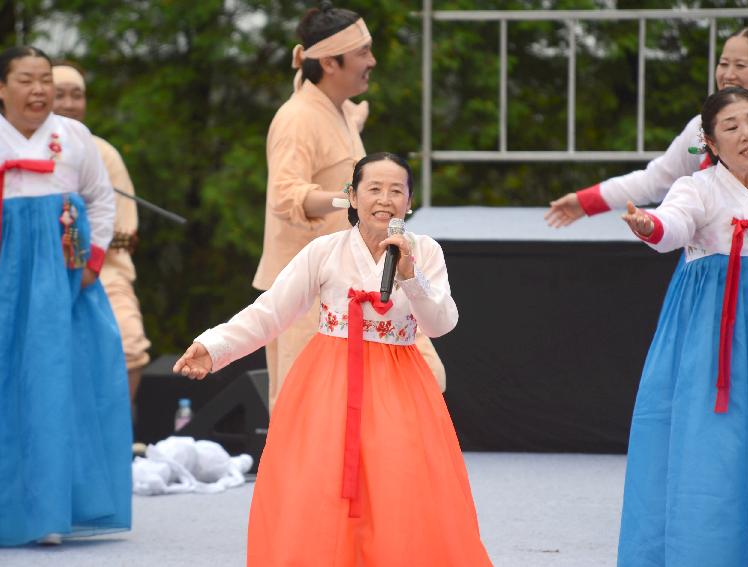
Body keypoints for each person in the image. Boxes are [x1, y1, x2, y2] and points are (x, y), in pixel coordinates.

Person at [175, 153, 492, 566]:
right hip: (331, 380)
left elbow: (442, 323)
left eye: (397, 190)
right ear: (352, 197)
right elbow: (272, 311)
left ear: (409, 202)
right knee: (322, 484)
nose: (385, 199)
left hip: (400, 383)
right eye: (374, 188)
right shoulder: (324, 251)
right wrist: (214, 346)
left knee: (399, 484)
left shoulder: (424, 251)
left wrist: (411, 276)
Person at [0, 46, 131, 546]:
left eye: (45, 79)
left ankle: (49, 510)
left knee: (54, 381)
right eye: (26, 79)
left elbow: (100, 199)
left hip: (59, 274)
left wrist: (92, 263)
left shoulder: (76, 137)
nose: (40, 90)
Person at [618, 87, 748, 566]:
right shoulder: (696, 188)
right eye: (731, 127)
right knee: (713, 449)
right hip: (716, 331)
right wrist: (649, 227)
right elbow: (672, 224)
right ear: (710, 144)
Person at [254, 1, 446, 411]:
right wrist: (352, 199)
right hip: (308, 288)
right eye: (363, 52)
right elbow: (284, 196)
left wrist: (353, 124)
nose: (372, 61)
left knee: (418, 380)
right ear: (329, 63)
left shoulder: (334, 110)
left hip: (356, 279)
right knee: (306, 409)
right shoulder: (297, 119)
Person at [546, 27, 748, 228]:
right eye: (723, 63)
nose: (728, 74)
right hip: (707, 265)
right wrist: (586, 200)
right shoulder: (700, 128)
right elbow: (656, 180)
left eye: (740, 65)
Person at [52, 62, 151, 405]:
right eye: (59, 94)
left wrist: (86, 255)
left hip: (102, 267)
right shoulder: (27, 149)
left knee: (130, 343)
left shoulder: (103, 152)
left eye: (76, 95)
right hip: (42, 268)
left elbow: (124, 230)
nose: (68, 103)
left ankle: (117, 438)